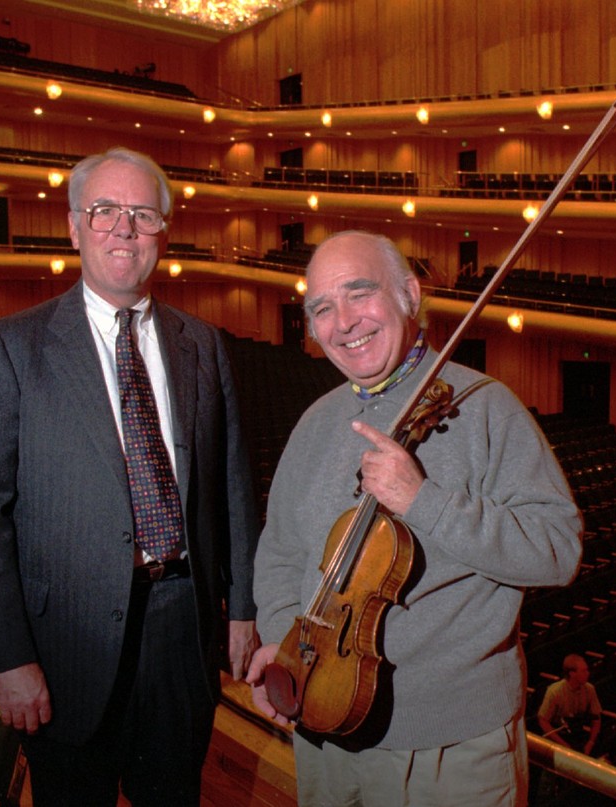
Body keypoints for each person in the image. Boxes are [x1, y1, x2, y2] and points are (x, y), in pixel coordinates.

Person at [0, 146, 260, 807]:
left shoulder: (203, 344)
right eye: (105, 210)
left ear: (163, 232)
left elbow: (233, 486)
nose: (124, 227)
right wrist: (7, 655)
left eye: (142, 213)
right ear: (73, 226)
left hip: (185, 631)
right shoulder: (11, 345)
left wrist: (246, 609)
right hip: (66, 645)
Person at [246, 230, 583, 807]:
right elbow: (280, 554)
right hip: (324, 733)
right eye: (322, 307)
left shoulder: (485, 407)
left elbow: (558, 550)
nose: (344, 321)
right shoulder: (315, 423)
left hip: (450, 750)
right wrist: (283, 641)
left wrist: (423, 500)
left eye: (360, 293)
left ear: (408, 293)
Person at [537, 654, 602, 755]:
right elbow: (543, 721)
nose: (588, 674)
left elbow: (596, 718)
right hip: (560, 736)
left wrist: (590, 742)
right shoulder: (555, 691)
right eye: (583, 671)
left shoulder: (589, 689)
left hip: (578, 734)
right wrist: (564, 746)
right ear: (572, 673)